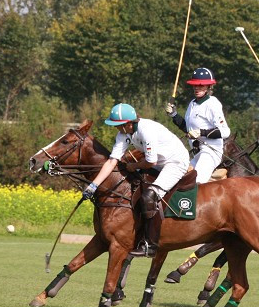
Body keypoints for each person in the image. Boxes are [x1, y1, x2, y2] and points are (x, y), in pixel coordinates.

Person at [83, 103, 190, 257]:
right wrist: (93, 185)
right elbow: (112, 161)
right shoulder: (123, 134)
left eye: (118, 125)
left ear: (128, 123)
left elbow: (150, 162)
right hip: (158, 162)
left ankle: (150, 244)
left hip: (175, 162)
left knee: (149, 196)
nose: (116, 128)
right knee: (131, 186)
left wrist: (134, 166)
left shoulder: (147, 130)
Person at [165, 67, 230, 184]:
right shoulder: (192, 103)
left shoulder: (212, 103)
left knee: (195, 182)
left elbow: (225, 132)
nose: (197, 88)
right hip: (197, 153)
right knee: (178, 179)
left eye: (201, 85)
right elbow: (188, 129)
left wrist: (201, 132)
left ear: (209, 87)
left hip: (210, 153)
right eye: (195, 85)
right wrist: (174, 115)